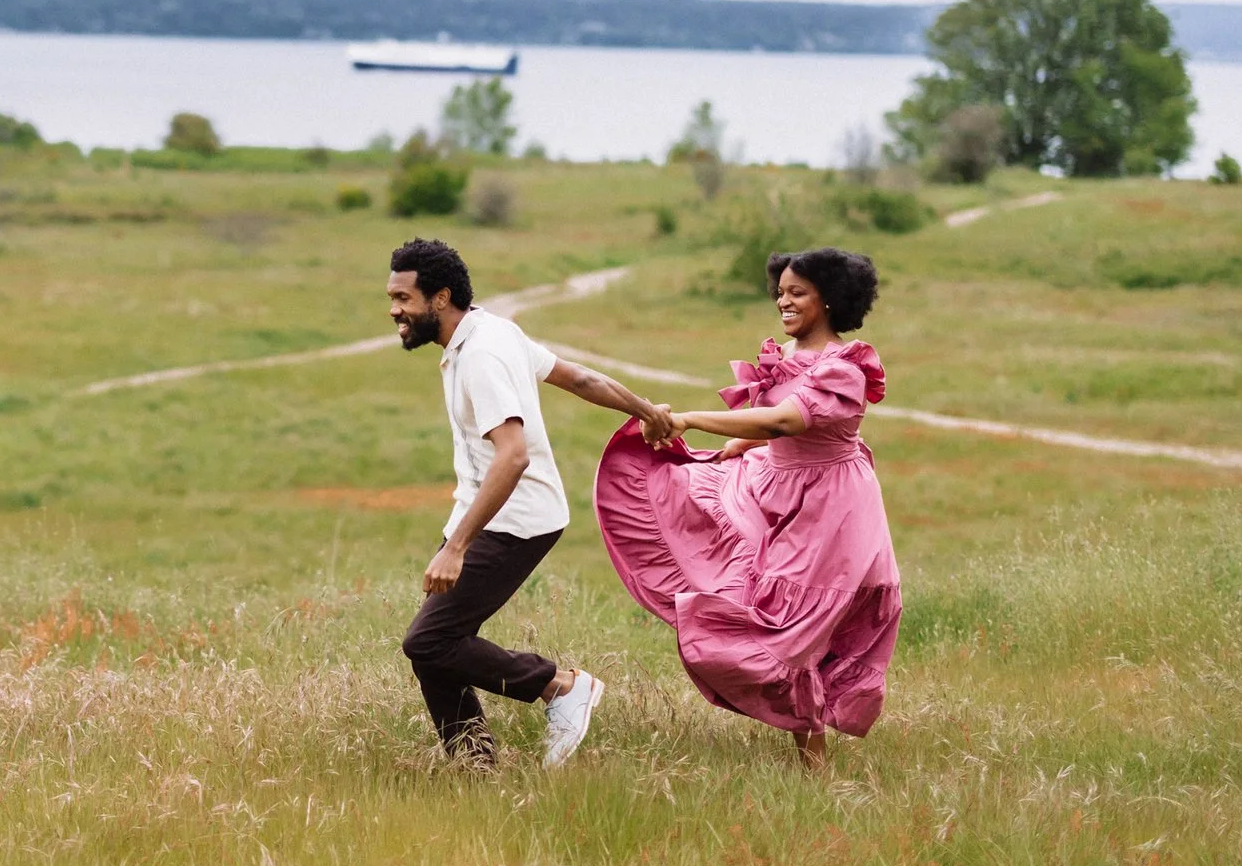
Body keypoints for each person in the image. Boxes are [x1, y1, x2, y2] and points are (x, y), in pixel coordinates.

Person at [591, 246, 899, 767]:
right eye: (780, 291)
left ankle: (815, 764)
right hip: (773, 488)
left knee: (794, 625)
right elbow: (767, 428)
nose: (784, 300)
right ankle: (808, 752)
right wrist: (740, 444)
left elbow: (784, 422)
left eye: (797, 292)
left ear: (829, 299)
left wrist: (689, 418)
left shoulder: (842, 368)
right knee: (709, 537)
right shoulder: (785, 358)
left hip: (829, 508)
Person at [385, 238, 678, 769]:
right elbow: (580, 378)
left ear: (440, 297)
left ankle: (560, 688)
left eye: (404, 298)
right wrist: (645, 410)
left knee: (428, 641)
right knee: (438, 645)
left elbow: (513, 456)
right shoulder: (491, 329)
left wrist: (457, 548)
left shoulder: (482, 354)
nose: (394, 310)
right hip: (493, 511)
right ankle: (474, 765)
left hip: (513, 519)